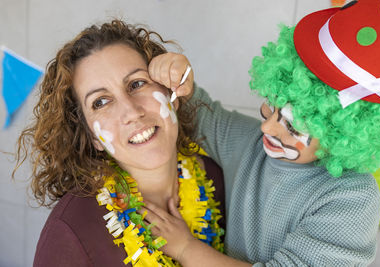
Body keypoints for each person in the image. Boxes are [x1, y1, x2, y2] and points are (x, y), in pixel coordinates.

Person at [143, 0, 380, 266]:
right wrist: (179, 77)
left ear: (341, 138)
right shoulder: (251, 145)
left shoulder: (354, 198)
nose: (266, 127)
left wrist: (185, 249)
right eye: (271, 106)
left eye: (291, 126)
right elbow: (198, 114)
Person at [14, 20, 226, 266]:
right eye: (101, 102)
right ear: (92, 136)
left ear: (171, 94)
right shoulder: (70, 233)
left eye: (137, 84)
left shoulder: (216, 178)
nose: (131, 112)